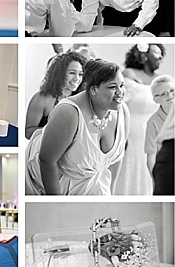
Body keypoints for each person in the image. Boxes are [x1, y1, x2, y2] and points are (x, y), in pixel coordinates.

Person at [26, 59, 129, 195]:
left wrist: (111, 193)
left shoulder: (123, 111)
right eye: (112, 87)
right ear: (93, 90)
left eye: (122, 85)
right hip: (55, 184)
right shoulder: (68, 112)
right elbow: (46, 161)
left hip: (95, 186)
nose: (120, 92)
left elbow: (117, 160)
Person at [117, 44, 166, 195]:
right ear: (144, 56)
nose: (159, 57)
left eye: (160, 54)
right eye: (156, 53)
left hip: (154, 133)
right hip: (131, 133)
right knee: (131, 166)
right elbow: (118, 106)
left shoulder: (160, 79)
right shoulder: (128, 74)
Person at [25, 51, 85, 138]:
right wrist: (55, 129)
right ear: (59, 73)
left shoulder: (83, 99)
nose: (77, 78)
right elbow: (28, 133)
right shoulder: (42, 98)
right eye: (72, 73)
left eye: (80, 74)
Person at [145, 75, 174, 173]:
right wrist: (155, 181)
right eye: (163, 94)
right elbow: (151, 155)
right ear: (156, 99)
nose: (169, 95)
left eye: (172, 91)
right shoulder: (152, 122)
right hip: (165, 169)